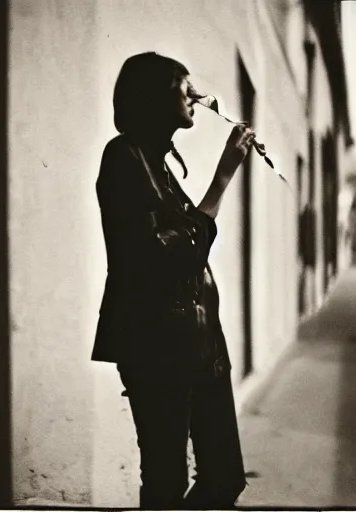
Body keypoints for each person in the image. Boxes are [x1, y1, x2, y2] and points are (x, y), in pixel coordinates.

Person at [91, 51, 256, 509]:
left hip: (202, 344)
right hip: (157, 344)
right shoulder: (123, 157)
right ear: (154, 96)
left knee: (225, 476)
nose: (195, 95)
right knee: (165, 479)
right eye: (183, 87)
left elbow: (187, 245)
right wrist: (222, 178)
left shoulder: (159, 165)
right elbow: (162, 255)